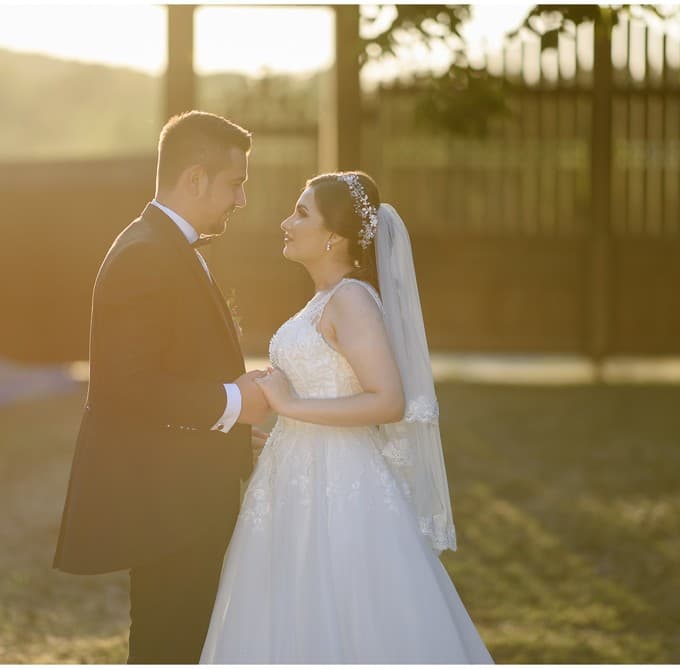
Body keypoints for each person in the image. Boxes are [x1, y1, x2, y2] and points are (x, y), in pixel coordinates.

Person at [200, 171, 494, 663]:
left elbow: (387, 400)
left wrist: (288, 406)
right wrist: (279, 430)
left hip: (340, 482)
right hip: (291, 478)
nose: (285, 222)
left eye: (301, 213)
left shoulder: (352, 300)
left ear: (334, 235)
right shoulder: (324, 300)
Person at [51, 110, 271, 664]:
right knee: (167, 646)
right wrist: (234, 402)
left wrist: (224, 436)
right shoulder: (145, 254)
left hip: (187, 493)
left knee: (188, 642)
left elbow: (175, 367)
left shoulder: (169, 247)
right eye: (235, 183)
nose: (241, 199)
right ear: (195, 179)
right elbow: (125, 387)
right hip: (166, 509)